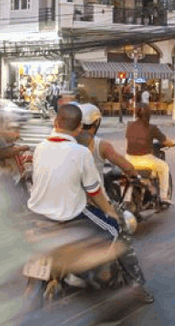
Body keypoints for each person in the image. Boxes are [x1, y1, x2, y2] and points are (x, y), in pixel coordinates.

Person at [27, 104, 153, 303]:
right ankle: (136, 285)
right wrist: (110, 211)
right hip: (75, 210)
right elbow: (96, 191)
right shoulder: (94, 146)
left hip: (38, 213)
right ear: (92, 124)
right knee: (118, 230)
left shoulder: (41, 147)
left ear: (56, 122)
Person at [124, 104, 175, 206]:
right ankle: (163, 196)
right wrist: (174, 143)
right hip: (145, 159)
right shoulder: (152, 128)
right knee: (164, 167)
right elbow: (165, 141)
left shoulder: (129, 125)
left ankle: (126, 199)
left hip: (129, 159)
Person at [77, 104, 137, 183]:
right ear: (97, 123)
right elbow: (127, 168)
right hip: (95, 193)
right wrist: (135, 175)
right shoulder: (101, 145)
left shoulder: (67, 140)